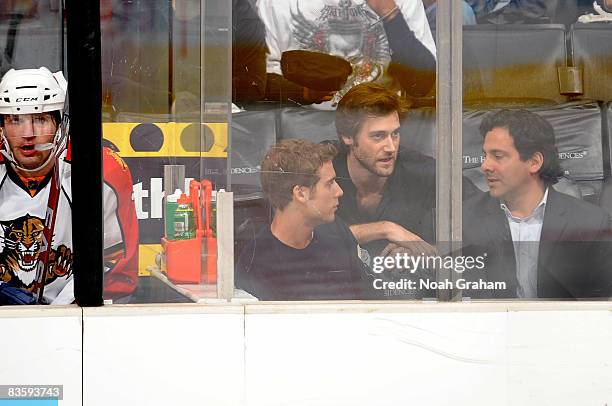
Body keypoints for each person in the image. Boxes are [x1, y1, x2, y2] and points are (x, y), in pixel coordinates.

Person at [0, 67, 138, 305]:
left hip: (74, 317)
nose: (28, 133)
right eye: (16, 120)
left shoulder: (102, 170)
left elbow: (115, 267)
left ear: (60, 123)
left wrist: (59, 316)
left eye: (40, 119)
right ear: (1, 126)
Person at [463, 109, 612, 299]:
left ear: (534, 162)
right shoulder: (464, 218)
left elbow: (599, 307)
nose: (484, 165)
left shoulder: (591, 223)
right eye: (485, 155)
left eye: (498, 156)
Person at [333, 82, 479, 259]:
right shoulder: (323, 166)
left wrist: (431, 250)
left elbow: (491, 217)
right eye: (378, 136)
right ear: (347, 137)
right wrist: (385, 229)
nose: (391, 147)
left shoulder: (422, 170)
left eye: (395, 134)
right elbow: (302, 231)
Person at [236, 139, 372, 300]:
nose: (339, 191)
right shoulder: (255, 264)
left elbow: (371, 305)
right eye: (330, 183)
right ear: (300, 193)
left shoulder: (337, 233)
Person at [258, 0, 436, 104]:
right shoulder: (277, 4)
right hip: (307, 131)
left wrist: (390, 14)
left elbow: (421, 86)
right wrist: (304, 93)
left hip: (384, 125)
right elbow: (263, 82)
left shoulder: (402, 2)